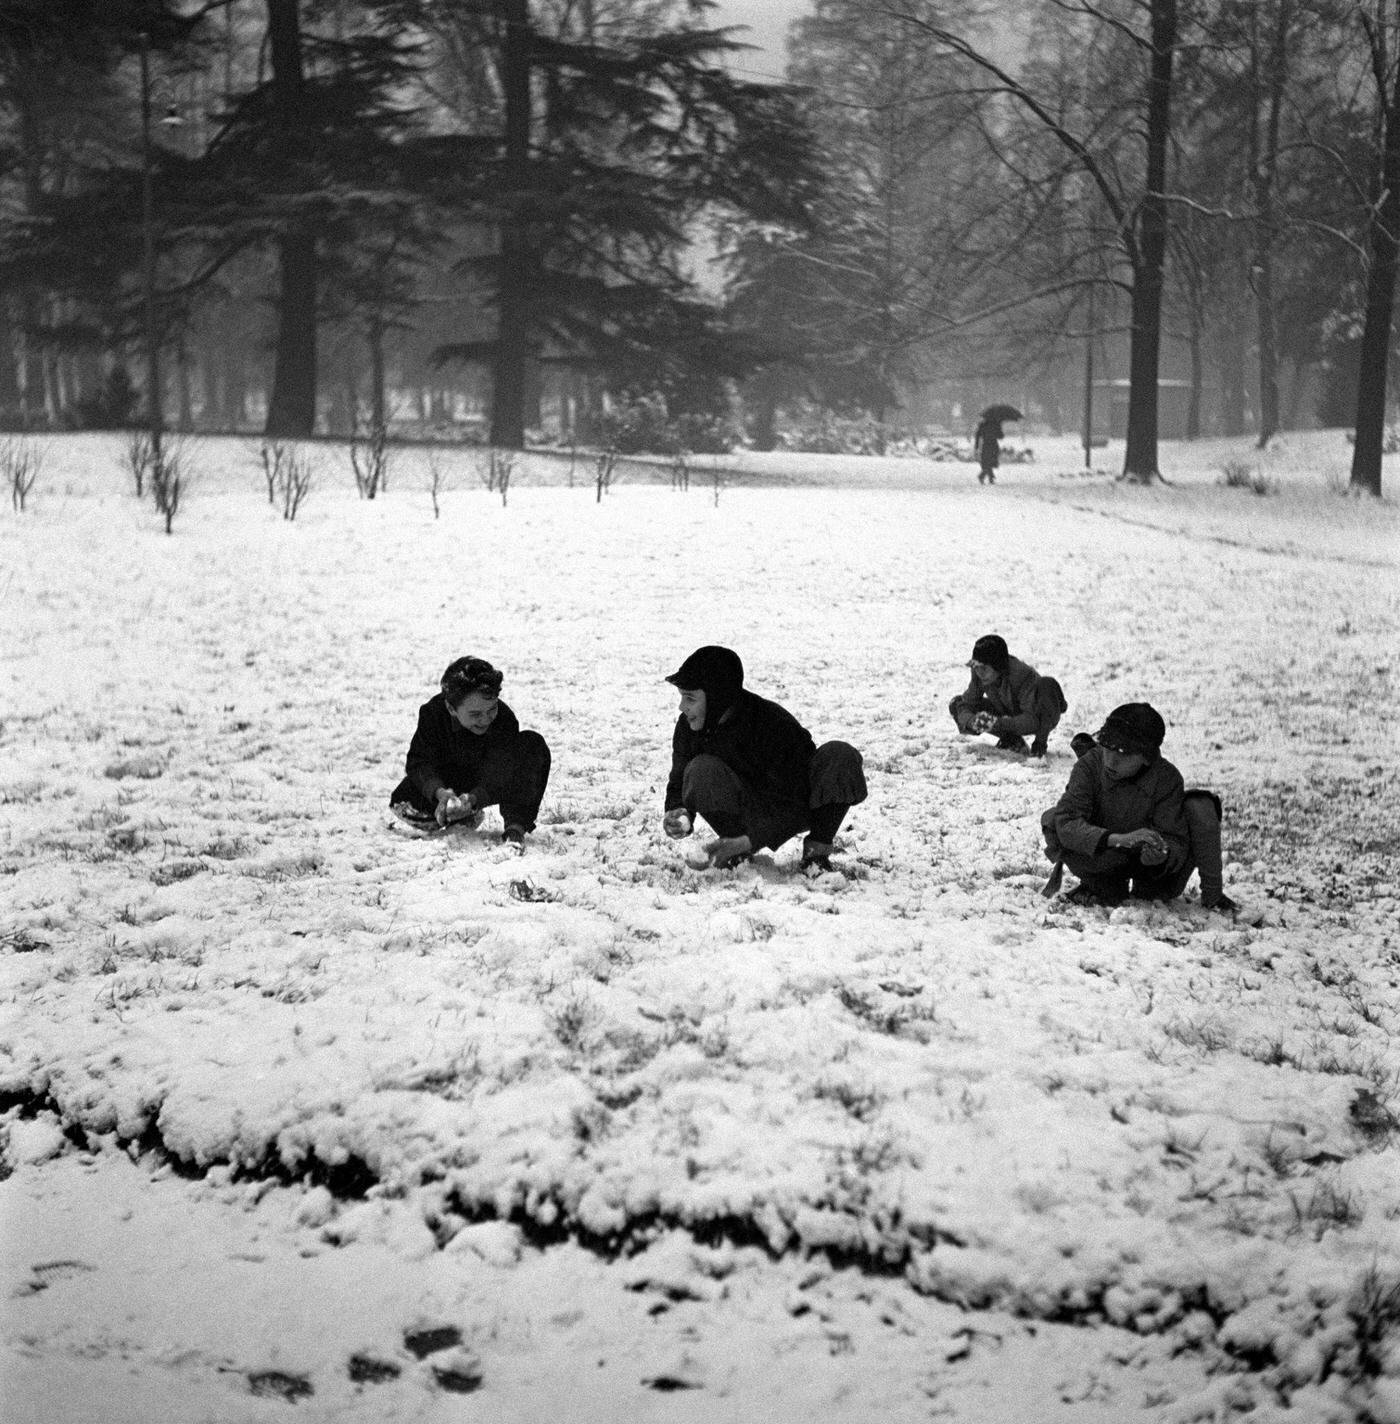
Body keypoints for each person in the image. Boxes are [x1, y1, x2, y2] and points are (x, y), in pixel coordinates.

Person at [661, 645, 868, 874]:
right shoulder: (689, 726)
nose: (682, 707)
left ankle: (816, 856)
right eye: (682, 697)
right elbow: (679, 780)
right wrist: (678, 811)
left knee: (840, 756)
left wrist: (751, 839)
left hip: (797, 803)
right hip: (748, 804)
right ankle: (733, 852)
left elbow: (793, 802)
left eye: (690, 698)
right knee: (700, 769)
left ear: (718, 698)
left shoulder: (772, 724)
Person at [1040, 701, 1238, 912]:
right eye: (1107, 749)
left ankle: (1213, 897)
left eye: (1123, 754)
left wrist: (1160, 854)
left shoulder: (1167, 780)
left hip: (1153, 875)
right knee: (1053, 819)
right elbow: (1067, 822)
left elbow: (1175, 840)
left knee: (1200, 807)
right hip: (1104, 858)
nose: (1110, 762)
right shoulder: (1090, 765)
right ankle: (1100, 886)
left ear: (1146, 758)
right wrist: (1117, 840)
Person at [389, 655, 551, 846]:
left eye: (491, 709)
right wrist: (440, 792)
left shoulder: (504, 720)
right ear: (451, 708)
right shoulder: (433, 714)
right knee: (406, 801)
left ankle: (515, 829)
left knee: (532, 745)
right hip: (447, 782)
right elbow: (419, 761)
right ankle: (453, 815)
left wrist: (474, 799)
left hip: (485, 781)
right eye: (475, 714)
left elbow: (505, 773)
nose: (485, 719)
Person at [948, 633, 1067, 756]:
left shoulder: (1022, 674)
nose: (979, 673)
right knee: (956, 703)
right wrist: (971, 721)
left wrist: (999, 724)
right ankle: (1011, 740)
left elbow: (1032, 720)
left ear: (998, 666)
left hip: (1039, 714)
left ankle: (1037, 745)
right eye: (976, 667)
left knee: (1046, 687)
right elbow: (966, 704)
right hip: (1006, 712)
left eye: (984, 668)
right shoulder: (978, 672)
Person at [973, 414, 1002, 484]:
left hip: (985, 446)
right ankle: (984, 476)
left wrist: (976, 446)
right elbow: (1000, 436)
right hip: (993, 446)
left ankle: (989, 478)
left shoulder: (982, 426)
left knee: (987, 462)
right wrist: (999, 429)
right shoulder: (995, 425)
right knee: (990, 463)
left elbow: (977, 436)